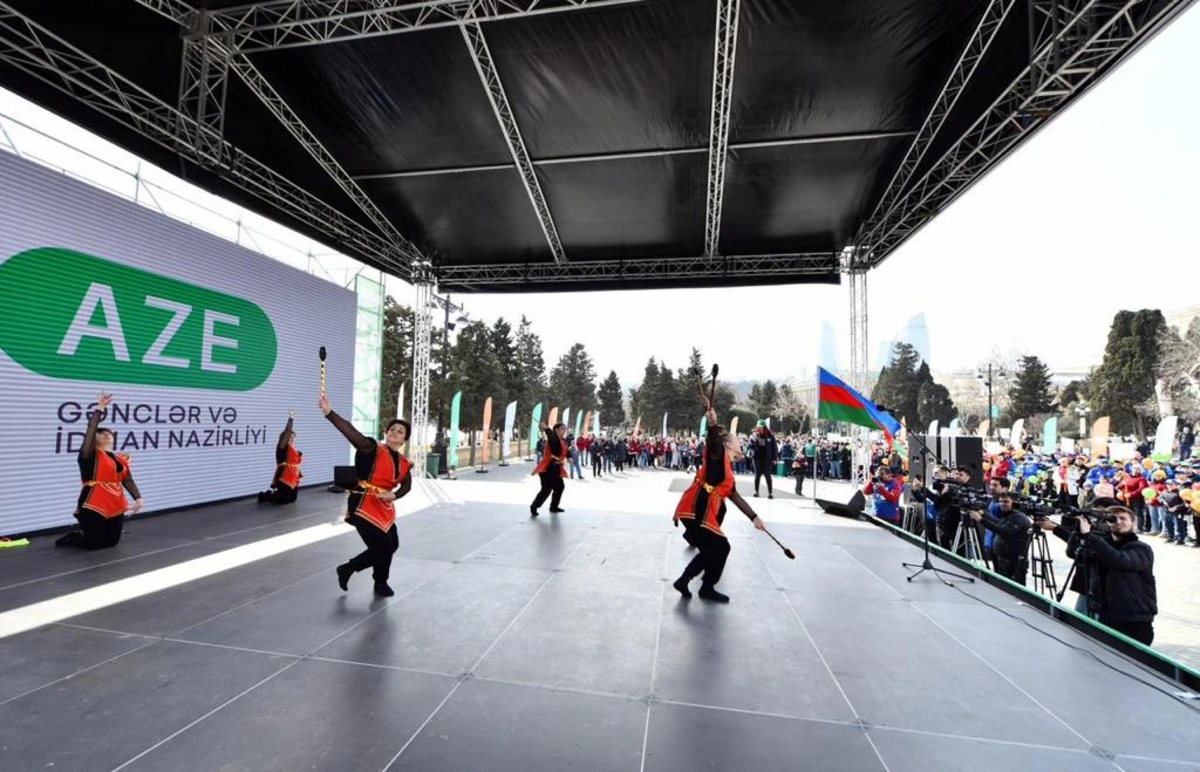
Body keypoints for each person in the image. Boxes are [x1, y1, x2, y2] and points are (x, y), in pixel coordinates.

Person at [672, 401, 767, 603]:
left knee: (714, 549)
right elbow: (714, 442)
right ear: (729, 445)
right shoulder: (718, 454)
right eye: (737, 440)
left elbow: (734, 496)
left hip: (701, 509)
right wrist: (713, 423)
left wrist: (754, 518)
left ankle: (688, 582)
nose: (740, 443)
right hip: (697, 507)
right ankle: (703, 586)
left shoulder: (728, 470)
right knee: (720, 547)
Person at [321, 393, 412, 597]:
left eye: (400, 431)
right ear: (386, 432)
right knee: (383, 546)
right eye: (392, 429)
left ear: (404, 439)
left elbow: (407, 485)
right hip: (363, 502)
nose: (395, 432)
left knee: (392, 544)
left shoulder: (404, 463)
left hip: (384, 507)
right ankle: (380, 582)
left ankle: (348, 568)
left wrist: (394, 496)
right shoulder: (372, 448)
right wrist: (329, 413)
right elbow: (352, 433)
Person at [56, 392, 145, 550]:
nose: (107, 435)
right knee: (94, 544)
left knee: (111, 542)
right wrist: (100, 407)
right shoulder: (89, 455)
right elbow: (91, 428)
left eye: (109, 433)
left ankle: (90, 534)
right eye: (102, 433)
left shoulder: (120, 459)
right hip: (93, 501)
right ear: (94, 438)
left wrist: (138, 499)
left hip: (116, 501)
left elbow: (127, 479)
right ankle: (75, 536)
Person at [1075, 505, 1158, 645]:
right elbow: (1075, 554)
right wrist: (1079, 533)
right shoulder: (1103, 545)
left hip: (1135, 620)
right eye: (1113, 519)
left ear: (1134, 523)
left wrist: (1090, 536)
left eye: (1123, 518)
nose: (1118, 522)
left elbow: (1119, 560)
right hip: (1106, 616)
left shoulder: (1141, 548)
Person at [968, 492, 1031, 584]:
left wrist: (980, 520)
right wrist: (984, 514)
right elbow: (999, 522)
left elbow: (1003, 531)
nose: (1002, 504)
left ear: (1015, 503)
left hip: (1013, 564)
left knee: (1010, 588)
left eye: (1006, 502)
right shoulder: (1011, 515)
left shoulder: (1019, 517)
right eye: (1000, 501)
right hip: (1004, 561)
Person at [258, 410, 302, 504]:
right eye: (290, 437)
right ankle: (265, 495)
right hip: (284, 475)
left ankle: (277, 493)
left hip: (293, 475)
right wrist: (291, 419)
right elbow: (287, 432)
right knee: (283, 500)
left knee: (292, 499)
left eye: (293, 438)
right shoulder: (282, 446)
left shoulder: (292, 449)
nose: (292, 439)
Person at [531, 421, 568, 516]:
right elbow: (552, 438)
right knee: (546, 489)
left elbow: (566, 451)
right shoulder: (553, 439)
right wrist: (546, 429)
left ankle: (554, 507)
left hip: (556, 468)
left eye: (565, 429)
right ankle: (534, 506)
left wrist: (570, 456)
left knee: (559, 487)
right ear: (556, 430)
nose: (564, 431)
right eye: (562, 429)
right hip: (548, 468)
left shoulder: (562, 441)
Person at [750, 420, 778, 498]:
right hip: (757, 457)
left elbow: (774, 448)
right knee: (757, 475)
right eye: (758, 427)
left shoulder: (770, 436)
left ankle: (770, 492)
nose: (759, 428)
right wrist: (753, 440)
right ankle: (756, 491)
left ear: (764, 427)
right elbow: (751, 446)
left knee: (767, 475)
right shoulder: (754, 435)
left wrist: (774, 458)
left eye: (761, 427)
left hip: (767, 458)